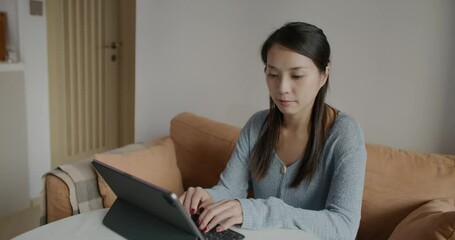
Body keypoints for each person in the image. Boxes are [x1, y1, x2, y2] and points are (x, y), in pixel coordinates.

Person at [179, 22, 367, 240]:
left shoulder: (345, 134)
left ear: (323, 75)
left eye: (296, 76)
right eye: (273, 74)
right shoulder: (257, 126)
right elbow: (230, 190)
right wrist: (206, 197)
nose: (282, 88)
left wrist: (262, 211)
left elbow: (344, 228)